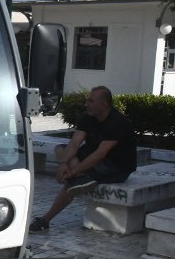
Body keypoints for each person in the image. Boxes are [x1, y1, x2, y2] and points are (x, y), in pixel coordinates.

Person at [29, 85, 137, 233]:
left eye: (91, 101)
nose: (87, 104)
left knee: (71, 185)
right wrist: (64, 164)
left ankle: (45, 220)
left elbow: (100, 154)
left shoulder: (117, 123)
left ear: (104, 104)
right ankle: (80, 174)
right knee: (60, 148)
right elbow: (74, 142)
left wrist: (72, 173)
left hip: (116, 166)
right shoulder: (89, 118)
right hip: (93, 157)